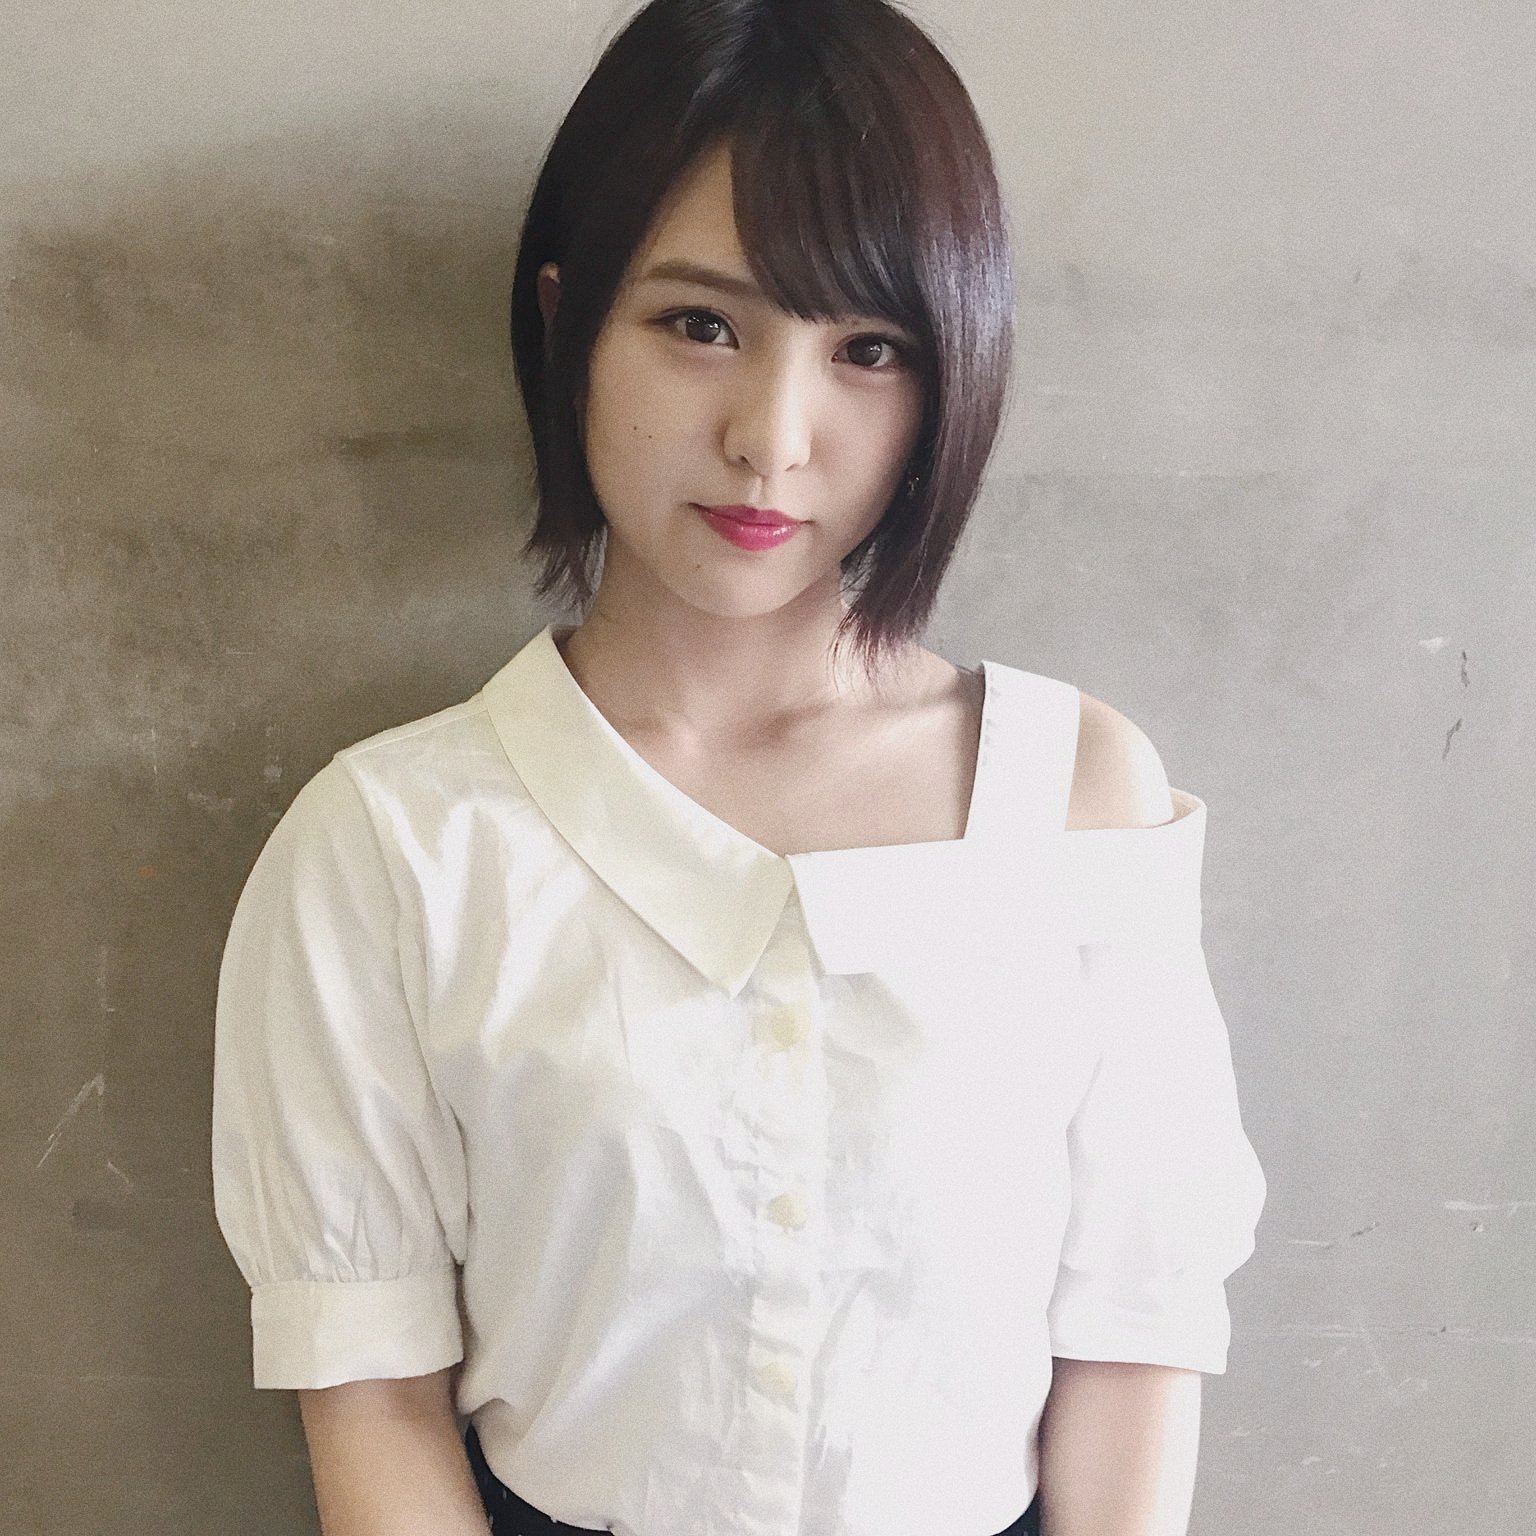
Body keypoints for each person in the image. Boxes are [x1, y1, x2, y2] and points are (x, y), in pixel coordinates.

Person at [211, 1, 1268, 1533]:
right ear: (569, 324)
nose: (772, 439)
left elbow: (1134, 1333)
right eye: (701, 326)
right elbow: (371, 1395)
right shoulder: (393, 847)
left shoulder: (1073, 792)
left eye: (868, 350)